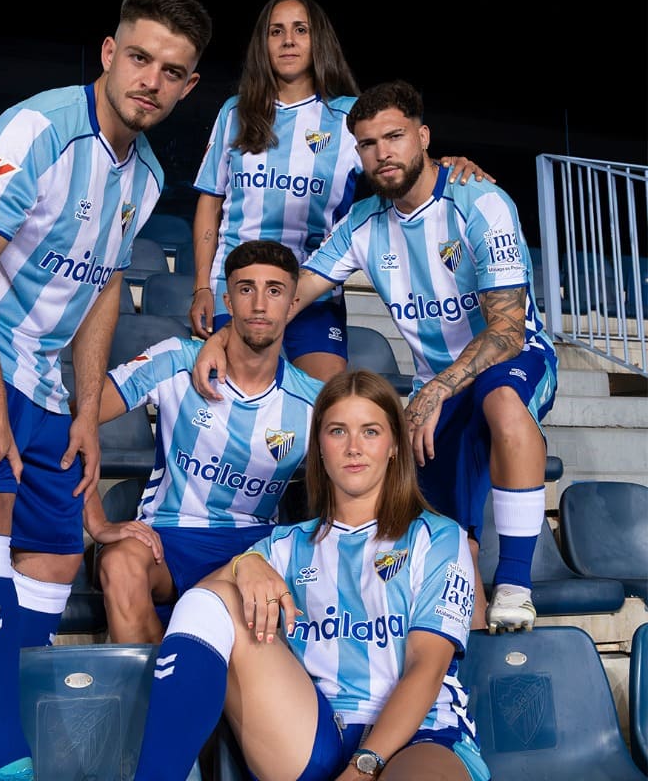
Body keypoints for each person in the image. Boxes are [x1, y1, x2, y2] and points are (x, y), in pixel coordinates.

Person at [0, 0, 211, 780]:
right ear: (109, 52)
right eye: (139, 58)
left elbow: (104, 288)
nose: (151, 80)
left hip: (41, 376)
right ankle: (8, 762)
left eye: (171, 71)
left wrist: (83, 411)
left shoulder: (144, 177)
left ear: (188, 86)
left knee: (58, 557)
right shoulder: (37, 129)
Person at [192, 79, 557, 634]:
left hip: (514, 361)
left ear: (423, 137)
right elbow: (291, 296)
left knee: (501, 397)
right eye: (367, 143)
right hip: (439, 385)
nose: (382, 153)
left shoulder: (480, 201)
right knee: (445, 533)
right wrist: (225, 334)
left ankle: (514, 586)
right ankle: (463, 655)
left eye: (394, 137)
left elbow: (506, 332)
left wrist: (434, 392)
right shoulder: (363, 224)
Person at [133, 369, 490, 781]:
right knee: (210, 600)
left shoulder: (439, 537)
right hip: (317, 732)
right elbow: (203, 606)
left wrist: (362, 767)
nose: (353, 448)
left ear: (394, 445)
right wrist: (243, 564)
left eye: (370, 432)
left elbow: (426, 667)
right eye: (338, 431)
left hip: (421, 734)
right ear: (318, 446)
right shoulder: (285, 545)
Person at [188, 0, 493, 381]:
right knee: (233, 393)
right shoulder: (235, 112)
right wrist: (202, 287)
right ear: (262, 44)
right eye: (276, 31)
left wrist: (449, 166)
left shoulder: (348, 115)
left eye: (300, 30)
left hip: (315, 290)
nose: (288, 41)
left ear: (319, 40)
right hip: (237, 287)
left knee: (325, 399)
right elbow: (210, 203)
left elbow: (401, 168)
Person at [83, 239, 323, 644]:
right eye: (246, 289)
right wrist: (96, 519)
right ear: (228, 300)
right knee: (119, 564)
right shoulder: (176, 359)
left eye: (274, 291)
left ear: (292, 304)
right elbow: (73, 419)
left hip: (256, 547)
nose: (259, 304)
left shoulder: (314, 400)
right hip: (168, 537)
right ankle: (157, 684)